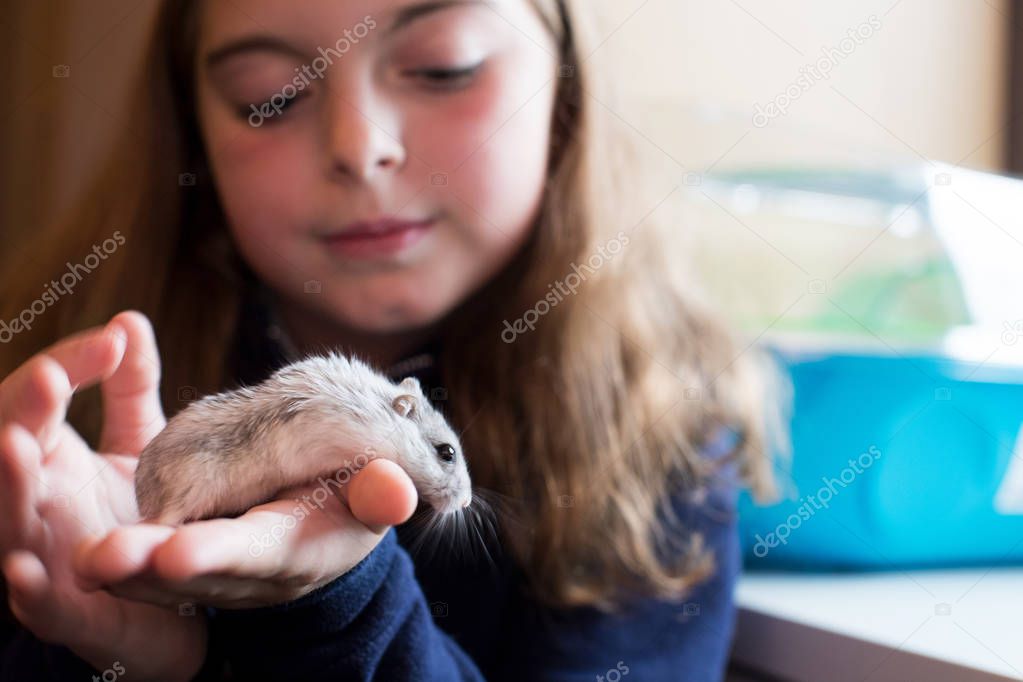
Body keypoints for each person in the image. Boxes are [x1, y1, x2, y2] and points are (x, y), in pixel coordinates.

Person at [0, 0, 782, 679]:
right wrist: (109, 653)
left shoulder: (658, 425)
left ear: (566, 88)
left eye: (444, 68)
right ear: (192, 132)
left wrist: (340, 605)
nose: (358, 145)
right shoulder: (45, 366)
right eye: (269, 98)